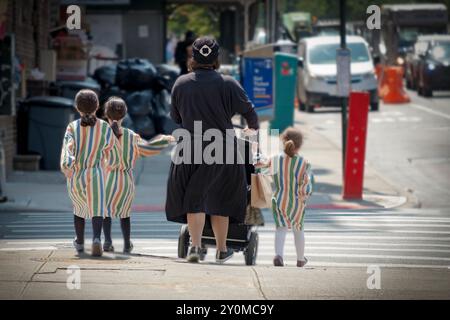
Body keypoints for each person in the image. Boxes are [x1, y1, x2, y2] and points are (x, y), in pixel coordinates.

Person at [166, 37, 259, 264]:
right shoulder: (228, 83)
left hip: (189, 147)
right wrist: (251, 131)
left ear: (193, 57)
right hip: (224, 149)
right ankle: (221, 249)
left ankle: (196, 246)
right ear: (216, 59)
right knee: (222, 199)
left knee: (193, 199)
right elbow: (250, 112)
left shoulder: (181, 83)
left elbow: (176, 117)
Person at [101, 97, 174, 253]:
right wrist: (164, 140)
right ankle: (127, 243)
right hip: (125, 180)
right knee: (125, 213)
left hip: (107, 178)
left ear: (106, 115)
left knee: (105, 212)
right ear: (124, 115)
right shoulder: (130, 136)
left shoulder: (102, 135)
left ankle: (107, 242)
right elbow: (148, 149)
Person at [60, 89, 120, 257]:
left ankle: (79, 243)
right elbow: (111, 149)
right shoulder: (104, 127)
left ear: (77, 108)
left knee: (79, 209)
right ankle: (96, 239)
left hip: (77, 174)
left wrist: (67, 164)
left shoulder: (72, 127)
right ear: (97, 106)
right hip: (96, 173)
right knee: (98, 208)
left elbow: (68, 148)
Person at [257, 127, 314, 267]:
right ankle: (300, 259)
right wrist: (304, 196)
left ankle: (279, 256)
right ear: (300, 145)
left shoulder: (275, 159)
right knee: (298, 229)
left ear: (283, 141)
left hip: (279, 199)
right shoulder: (304, 163)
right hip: (296, 201)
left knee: (281, 228)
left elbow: (263, 171)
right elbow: (306, 184)